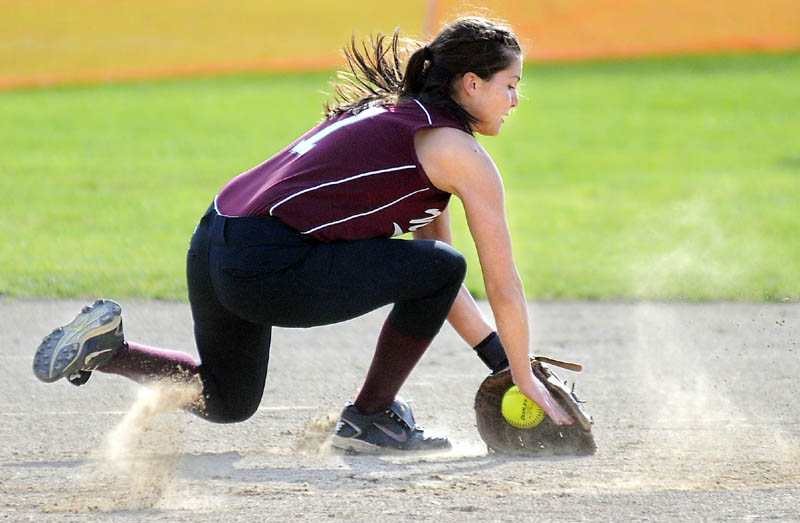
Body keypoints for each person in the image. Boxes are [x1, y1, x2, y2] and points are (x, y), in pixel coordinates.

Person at [32, 16, 573, 454]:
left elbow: (435, 277)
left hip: (215, 241)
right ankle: (372, 417)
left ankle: (107, 349)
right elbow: (501, 285)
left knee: (227, 400)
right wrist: (523, 377)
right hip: (266, 264)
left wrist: (500, 360)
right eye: (511, 85)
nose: (516, 99)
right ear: (472, 84)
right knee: (438, 265)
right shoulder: (459, 153)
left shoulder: (393, 116)